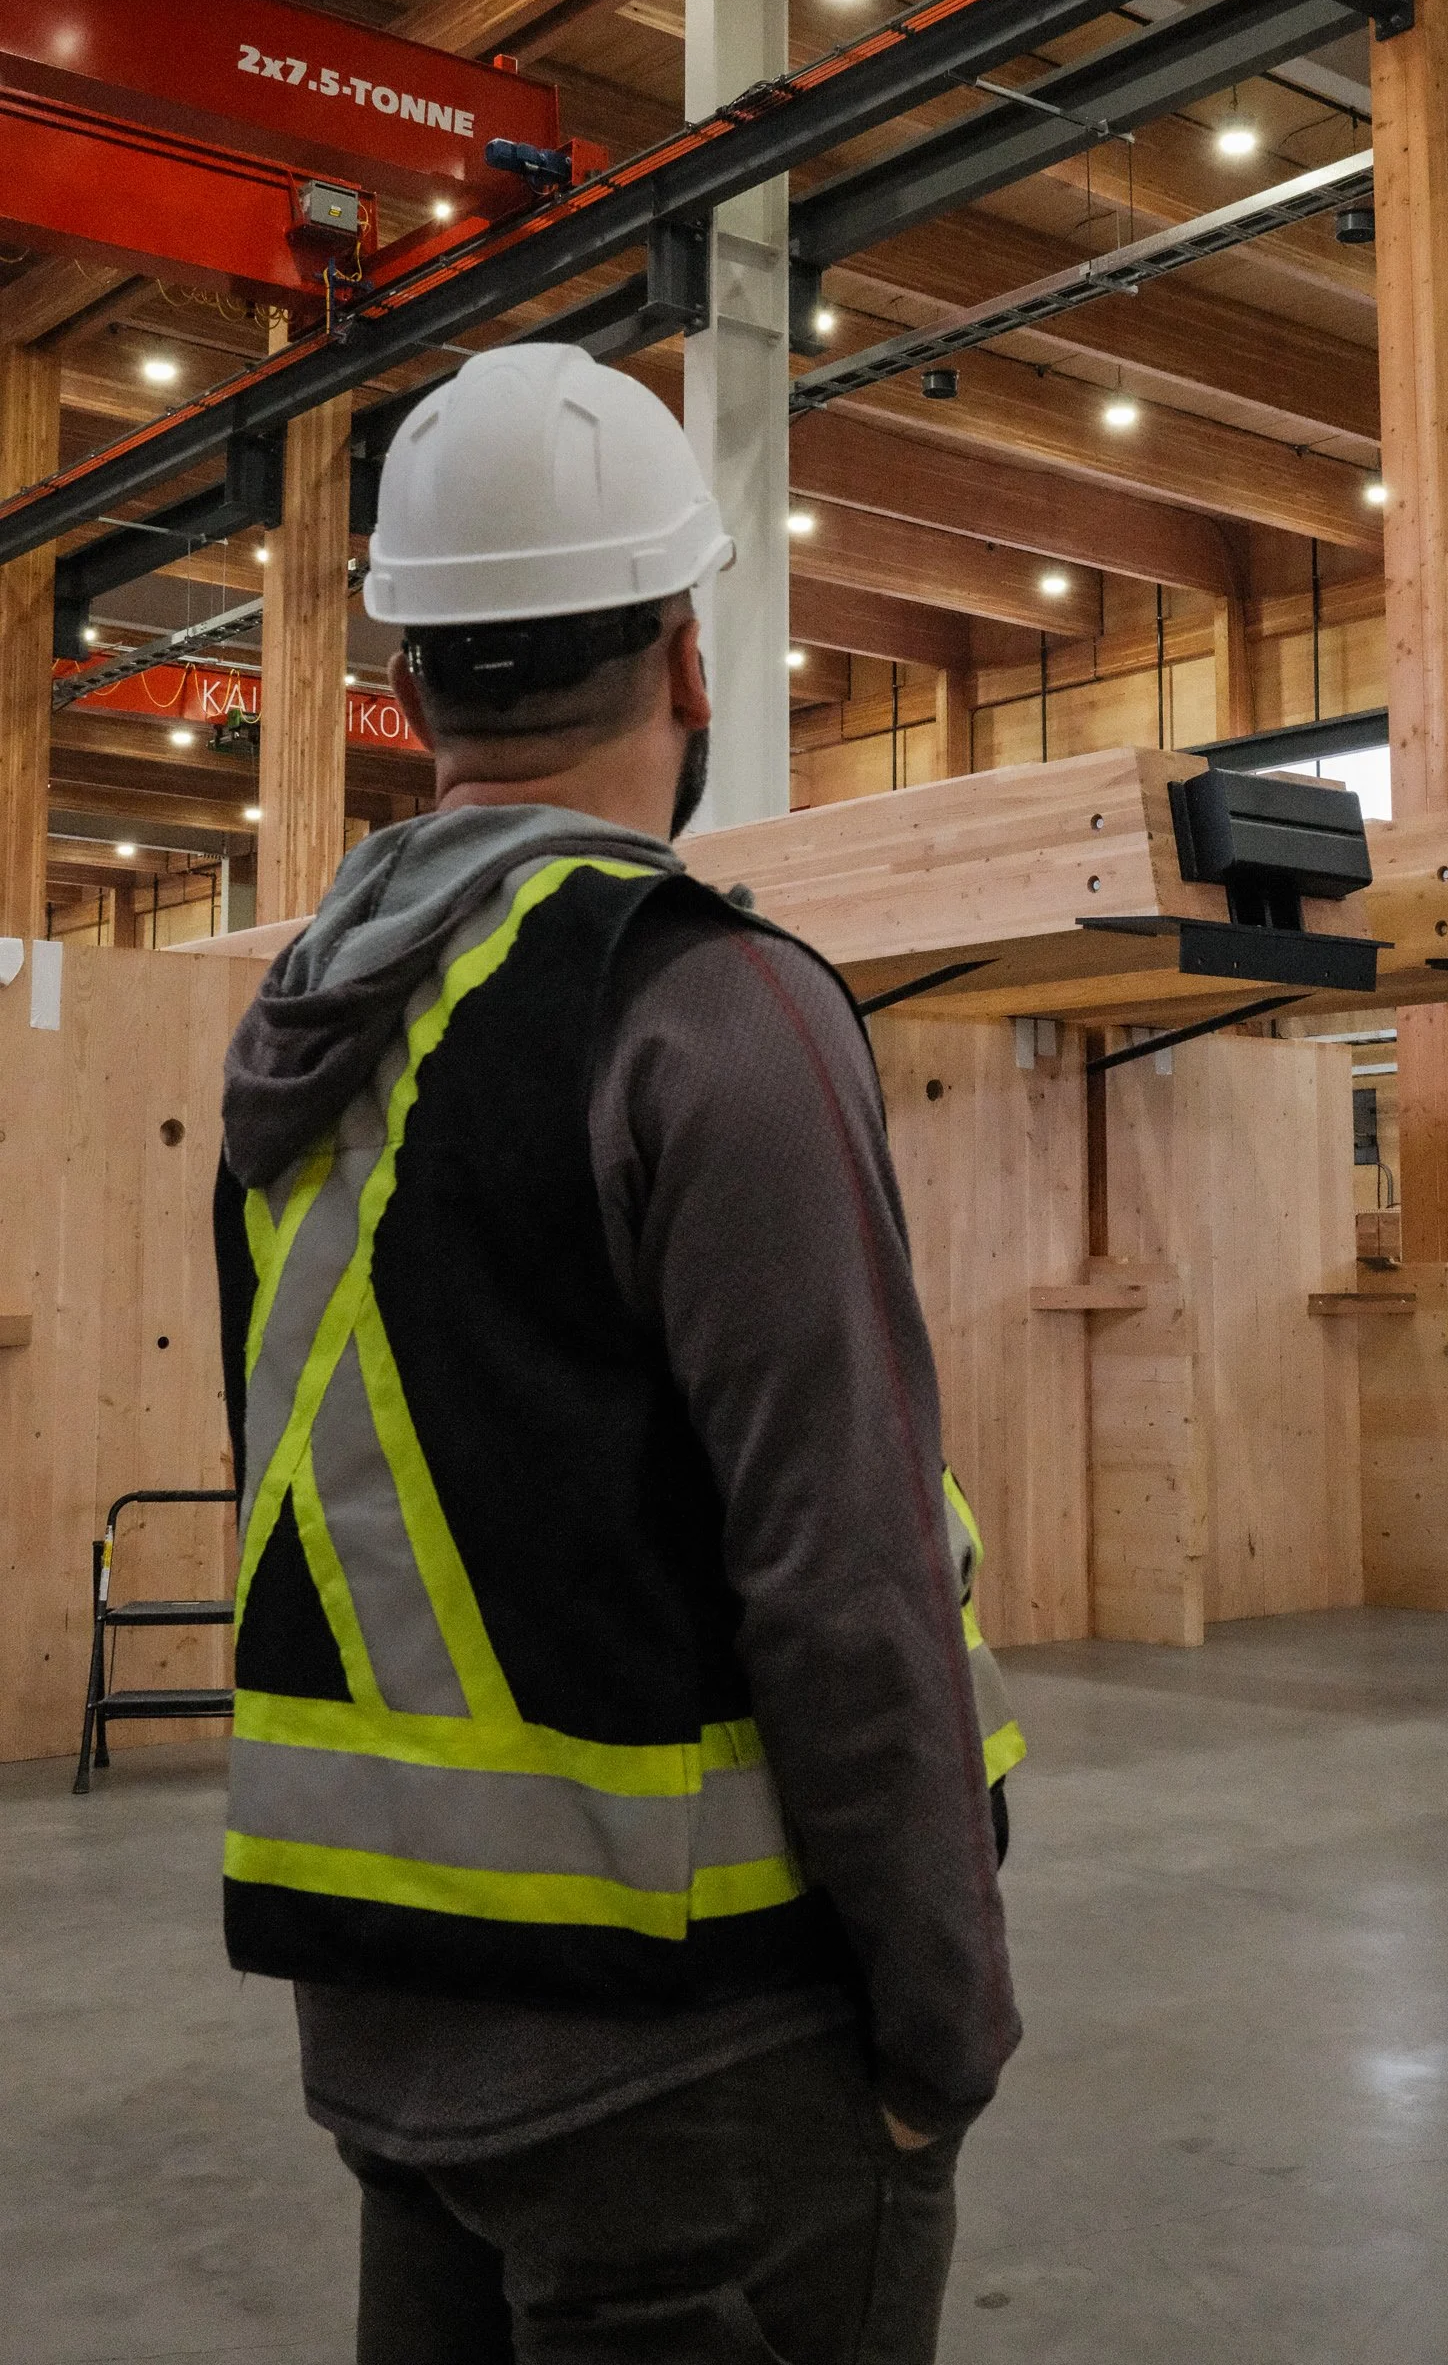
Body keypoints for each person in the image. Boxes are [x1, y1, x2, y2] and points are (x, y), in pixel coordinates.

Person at [213, 341, 1024, 2363]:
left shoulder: (308, 1038)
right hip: (704, 2058)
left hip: (397, 2033)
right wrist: (943, 2029)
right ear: (687, 655)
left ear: (407, 692)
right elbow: (846, 1574)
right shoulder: (707, 1012)